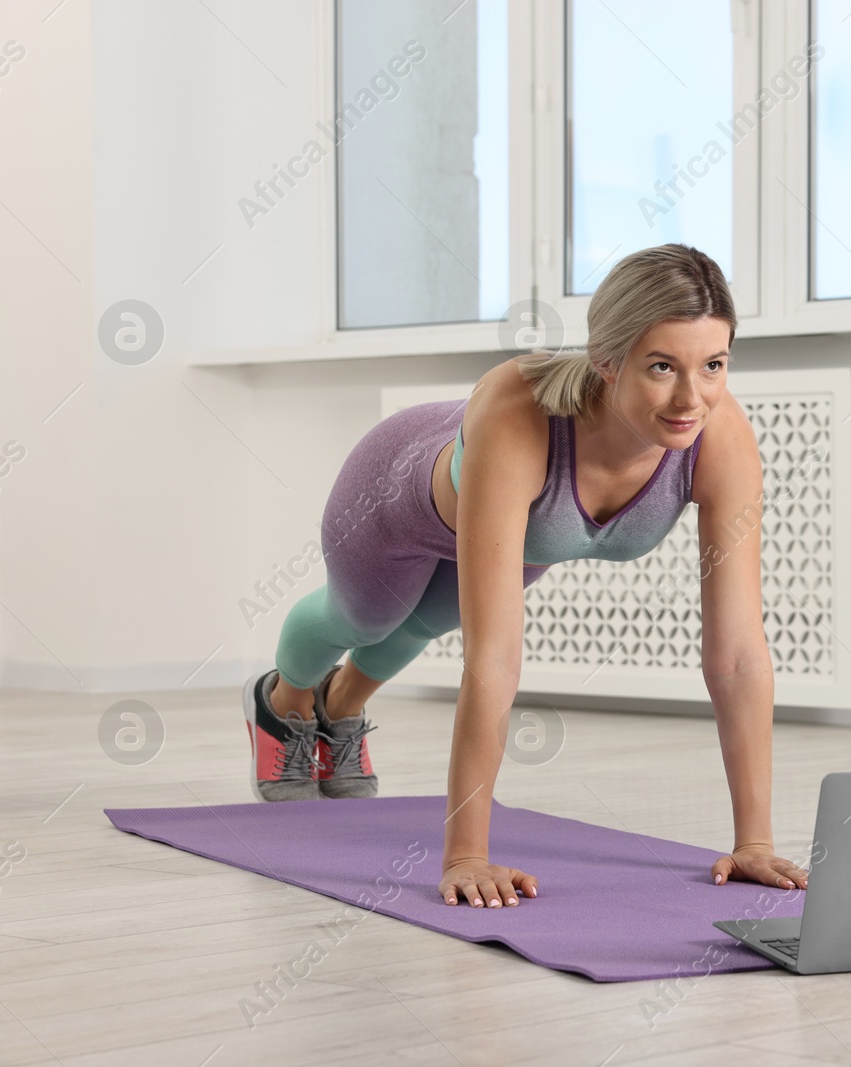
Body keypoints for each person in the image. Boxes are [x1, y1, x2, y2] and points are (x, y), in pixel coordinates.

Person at [241, 243, 811, 908]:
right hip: (390, 498)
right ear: (606, 361)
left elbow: (739, 655)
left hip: (511, 528)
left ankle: (339, 709)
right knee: (364, 616)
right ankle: (281, 704)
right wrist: (467, 855)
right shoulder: (519, 414)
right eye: (663, 366)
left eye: (713, 364)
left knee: (423, 621)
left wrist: (756, 845)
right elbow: (494, 662)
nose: (694, 396)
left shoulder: (722, 437)